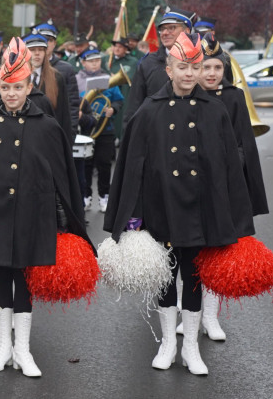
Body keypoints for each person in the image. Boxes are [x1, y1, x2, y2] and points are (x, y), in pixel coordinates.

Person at [103, 32, 255, 375]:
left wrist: (233, 217)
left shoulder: (215, 111)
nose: (189, 73)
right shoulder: (149, 111)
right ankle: (168, 343)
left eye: (195, 67)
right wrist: (134, 216)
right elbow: (133, 169)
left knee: (195, 276)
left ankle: (190, 348)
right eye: (182, 67)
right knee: (166, 277)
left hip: (201, 209)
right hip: (161, 208)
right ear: (169, 69)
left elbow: (228, 168)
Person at [0, 42, 87, 377]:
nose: (12, 94)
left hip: (32, 211)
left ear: (30, 88)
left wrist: (62, 221)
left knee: (26, 279)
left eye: (18, 88)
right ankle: (2, 347)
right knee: (2, 277)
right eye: (6, 88)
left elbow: (61, 177)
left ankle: (23, 350)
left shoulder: (47, 127)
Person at [184, 37, 269, 341]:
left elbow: (243, 143)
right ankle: (189, 313)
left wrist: (225, 170)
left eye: (217, 67)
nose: (211, 73)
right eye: (206, 66)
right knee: (190, 251)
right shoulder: (186, 96)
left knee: (217, 251)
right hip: (191, 187)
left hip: (223, 186)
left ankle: (210, 316)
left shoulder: (233, 98)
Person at [123, 6, 195, 125]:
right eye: (162, 29)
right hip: (156, 135)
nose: (165, 33)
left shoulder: (202, 61)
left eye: (172, 28)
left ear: (187, 31)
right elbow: (133, 107)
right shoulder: (147, 63)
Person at [77, 48, 123, 212]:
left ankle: (104, 196)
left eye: (97, 60)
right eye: (90, 61)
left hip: (105, 127)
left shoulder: (108, 79)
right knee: (86, 164)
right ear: (83, 63)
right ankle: (85, 195)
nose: (94, 63)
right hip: (85, 129)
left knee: (104, 163)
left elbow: (118, 100)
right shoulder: (77, 80)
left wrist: (113, 110)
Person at [32, 21, 80, 136]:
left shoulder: (65, 69)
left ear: (54, 43)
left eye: (49, 40)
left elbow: (71, 105)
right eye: (42, 39)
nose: (46, 43)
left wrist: (70, 135)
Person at [103, 37, 138, 137]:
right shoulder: (106, 59)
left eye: (120, 47)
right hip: (107, 95)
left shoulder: (132, 61)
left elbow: (130, 77)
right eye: (115, 46)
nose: (117, 49)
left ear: (126, 49)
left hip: (123, 94)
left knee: (121, 119)